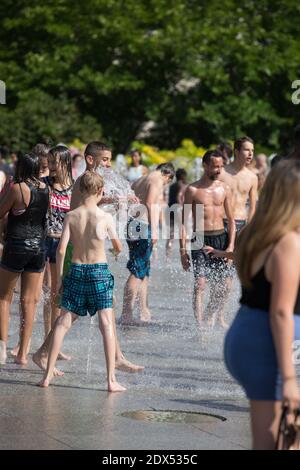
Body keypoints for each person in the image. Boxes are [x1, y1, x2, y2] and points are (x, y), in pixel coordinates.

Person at [33, 141, 144, 374]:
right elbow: (87, 204)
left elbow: (93, 203)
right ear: (90, 159)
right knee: (70, 314)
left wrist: (117, 201)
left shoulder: (90, 182)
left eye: (110, 159)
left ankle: (117, 356)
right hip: (78, 253)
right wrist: (116, 201)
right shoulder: (84, 182)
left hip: (86, 253)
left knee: (104, 307)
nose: (109, 164)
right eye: (105, 159)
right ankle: (43, 352)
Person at [224, 159, 300, 449]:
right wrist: (289, 377)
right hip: (273, 346)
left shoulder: (258, 236)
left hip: (251, 338)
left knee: (268, 441)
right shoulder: (288, 243)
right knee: (284, 441)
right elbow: (280, 311)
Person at [39, 171, 126, 392]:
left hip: (76, 269)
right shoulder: (105, 217)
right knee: (106, 324)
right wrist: (112, 246)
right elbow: (118, 247)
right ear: (100, 191)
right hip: (99, 271)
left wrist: (59, 279)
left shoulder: (71, 216)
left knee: (62, 323)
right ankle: (111, 380)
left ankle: (48, 375)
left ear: (80, 190)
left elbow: (60, 249)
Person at [0, 153, 49, 365]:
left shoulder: (17, 188)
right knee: (29, 302)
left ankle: (1, 348)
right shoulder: (45, 188)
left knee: (3, 298)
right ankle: (23, 354)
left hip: (16, 246)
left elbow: (0, 212)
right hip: (38, 248)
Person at [180, 149, 235, 327]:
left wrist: (230, 246)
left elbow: (232, 221)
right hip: (199, 239)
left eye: (220, 166)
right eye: (214, 166)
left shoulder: (224, 188)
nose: (218, 170)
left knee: (225, 287)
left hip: (221, 238)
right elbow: (183, 222)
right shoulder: (193, 190)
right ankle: (200, 327)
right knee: (200, 284)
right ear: (205, 166)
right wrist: (182, 251)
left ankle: (209, 314)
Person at [121, 163, 175, 325]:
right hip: (143, 226)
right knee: (137, 270)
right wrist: (154, 229)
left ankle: (143, 309)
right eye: (167, 183)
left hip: (132, 224)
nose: (165, 185)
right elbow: (150, 203)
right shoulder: (157, 178)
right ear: (168, 176)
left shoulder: (140, 179)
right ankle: (126, 313)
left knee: (143, 269)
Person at [221, 136, 258, 234]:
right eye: (246, 150)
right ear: (236, 152)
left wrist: (249, 228)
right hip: (222, 222)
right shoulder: (221, 172)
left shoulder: (252, 177)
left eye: (252, 150)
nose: (251, 154)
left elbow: (252, 207)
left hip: (241, 223)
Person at [166, 168, 187, 257]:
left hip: (170, 209)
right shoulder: (182, 185)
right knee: (182, 231)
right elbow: (179, 197)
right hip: (178, 210)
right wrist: (182, 206)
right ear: (183, 176)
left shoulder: (172, 186)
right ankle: (183, 252)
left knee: (170, 234)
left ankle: (168, 256)